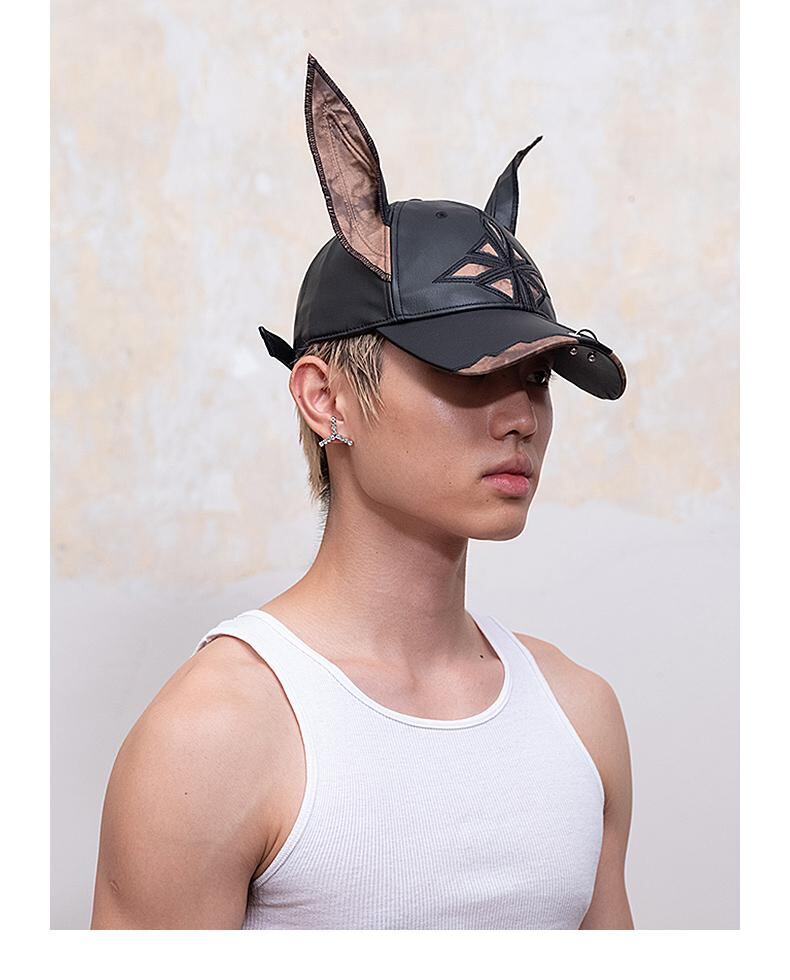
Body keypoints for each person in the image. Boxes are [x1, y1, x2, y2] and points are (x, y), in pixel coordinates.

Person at [91, 54, 634, 930]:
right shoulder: (218, 732)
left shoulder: (580, 714)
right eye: (467, 369)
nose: (521, 417)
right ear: (324, 398)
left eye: (536, 375)